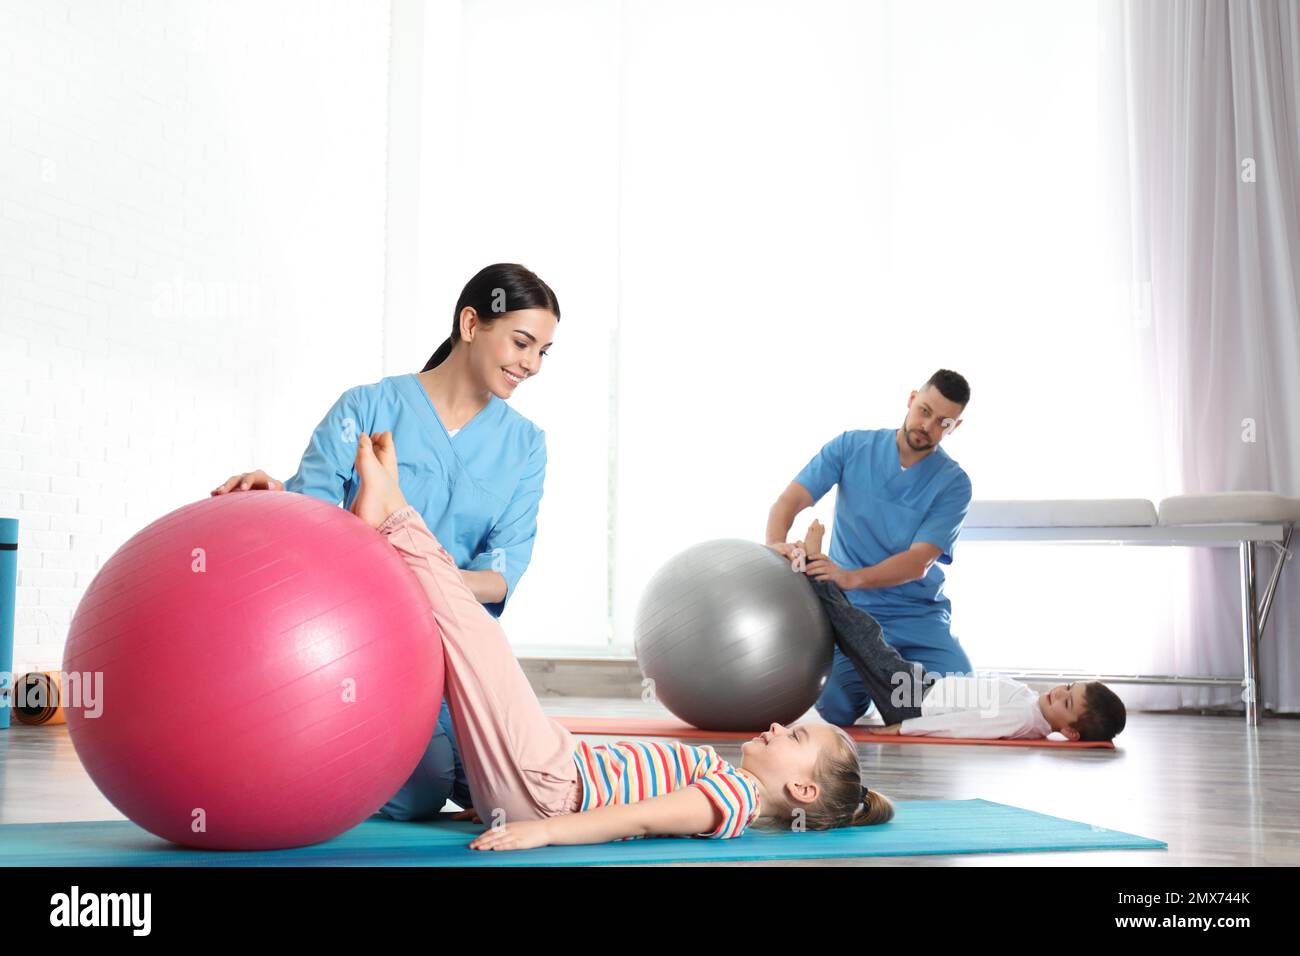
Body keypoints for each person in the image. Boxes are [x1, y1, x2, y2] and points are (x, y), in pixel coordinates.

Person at [349, 429, 894, 849]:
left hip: (551, 788)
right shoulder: (731, 782)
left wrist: (541, 831)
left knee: (473, 637)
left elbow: (638, 818)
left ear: (801, 792)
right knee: (468, 655)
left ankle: (393, 517)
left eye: (796, 739)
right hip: (543, 779)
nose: (779, 726)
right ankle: (388, 524)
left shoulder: (738, 798)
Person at [211, 263, 560, 821]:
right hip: (364, 647)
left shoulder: (525, 445)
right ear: (471, 323)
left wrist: (418, 577)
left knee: (525, 782)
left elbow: (500, 575)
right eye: (522, 343)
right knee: (420, 788)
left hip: (457, 657)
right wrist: (269, 496)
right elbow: (311, 521)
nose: (532, 364)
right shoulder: (366, 408)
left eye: (544, 351)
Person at [767, 369, 974, 726]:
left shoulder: (953, 483)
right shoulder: (851, 447)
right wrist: (775, 546)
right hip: (853, 614)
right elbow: (789, 501)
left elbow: (918, 563)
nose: (928, 425)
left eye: (943, 422)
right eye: (924, 410)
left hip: (917, 614)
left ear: (954, 427)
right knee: (838, 709)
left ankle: (891, 686)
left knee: (960, 699)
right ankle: (888, 689)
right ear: (911, 400)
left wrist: (848, 578)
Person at [805, 569, 1127, 741]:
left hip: (913, 700)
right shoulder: (1031, 710)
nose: (1059, 692)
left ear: (1070, 732)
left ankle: (817, 579)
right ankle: (822, 591)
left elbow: (967, 724)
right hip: (920, 690)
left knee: (864, 637)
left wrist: (905, 729)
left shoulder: (1023, 718)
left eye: (1067, 703)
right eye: (1069, 688)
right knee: (863, 642)